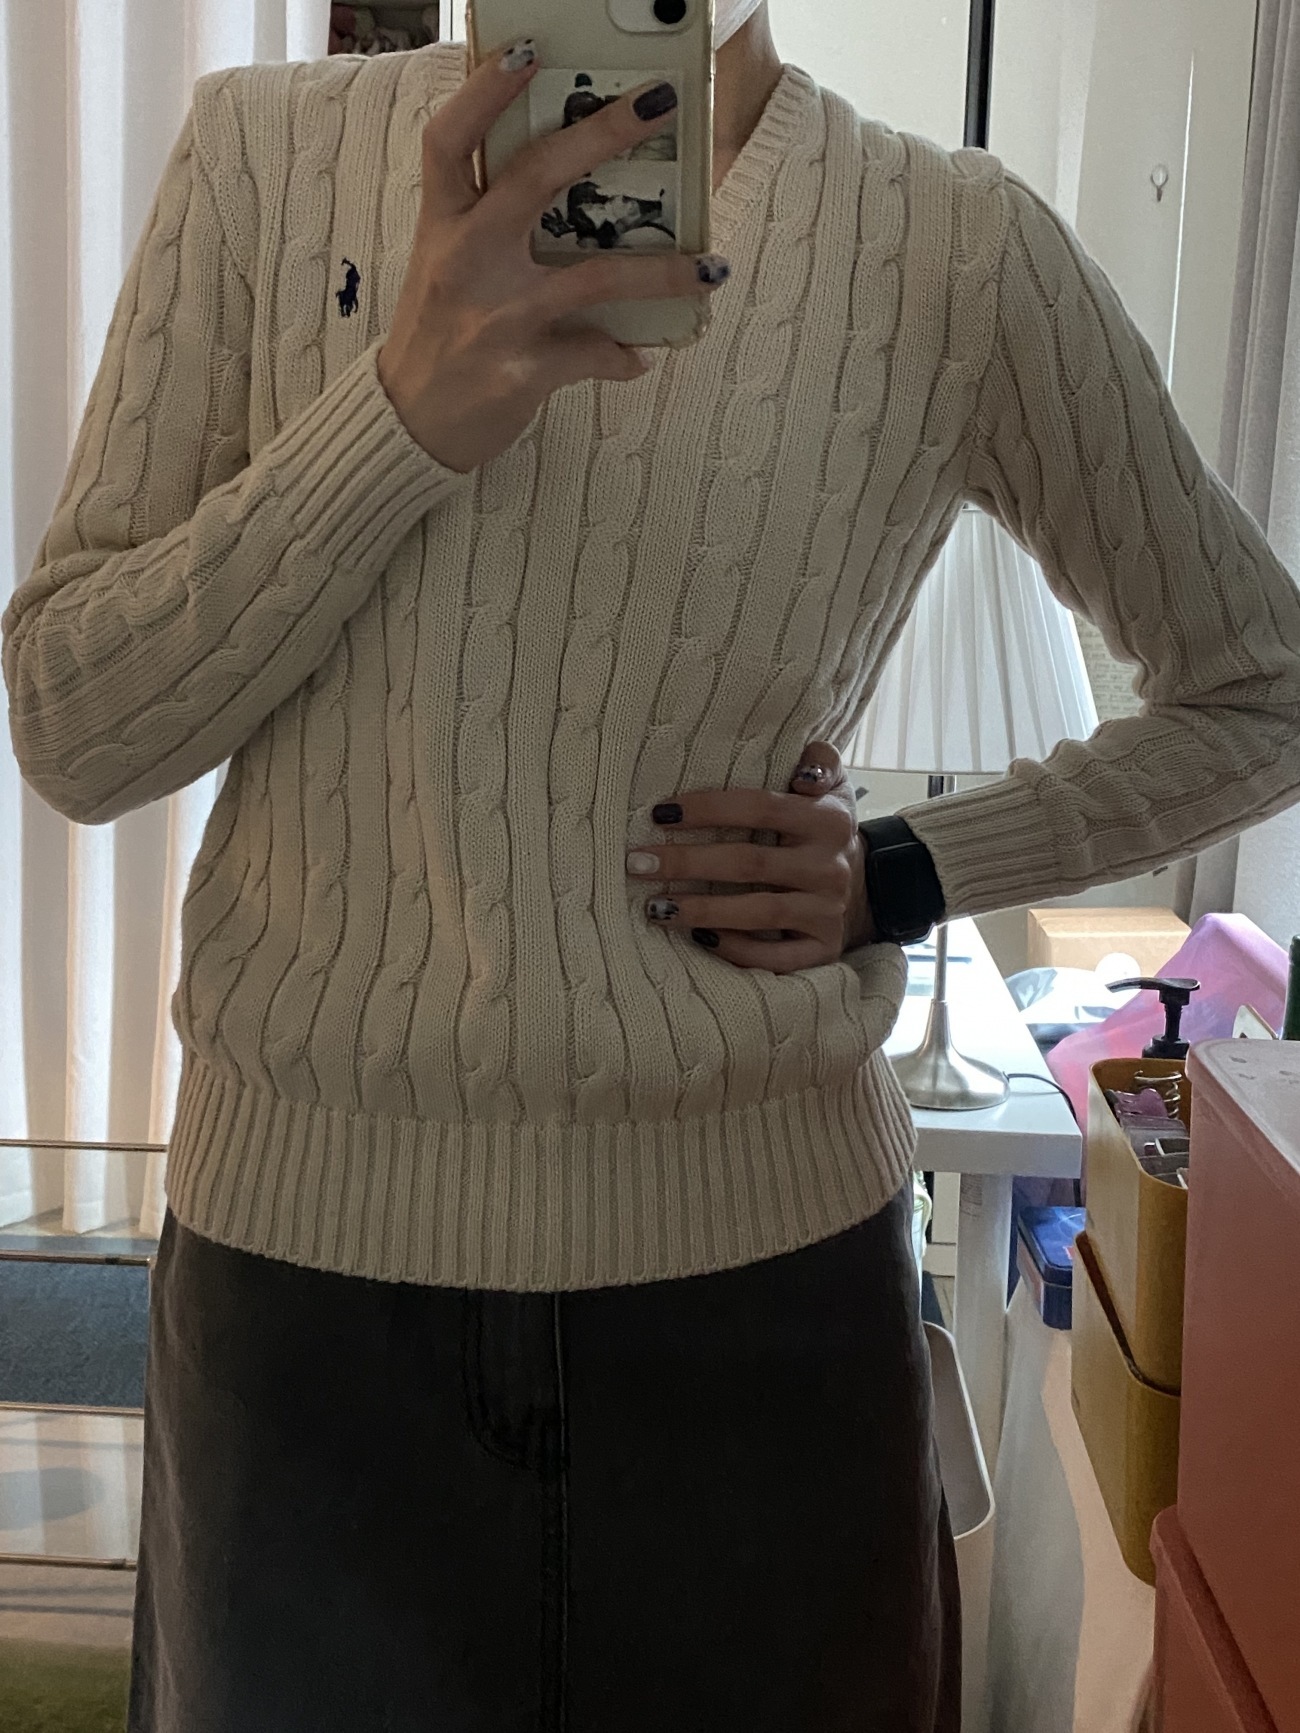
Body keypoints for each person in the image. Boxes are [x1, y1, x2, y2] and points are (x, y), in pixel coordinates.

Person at [4, 3, 1300, 1729]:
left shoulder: (953, 251)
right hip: (303, 1319)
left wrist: (905, 867)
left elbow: (1261, 688)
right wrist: (395, 414)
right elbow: (77, 729)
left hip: (767, 1311)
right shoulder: (258, 159)